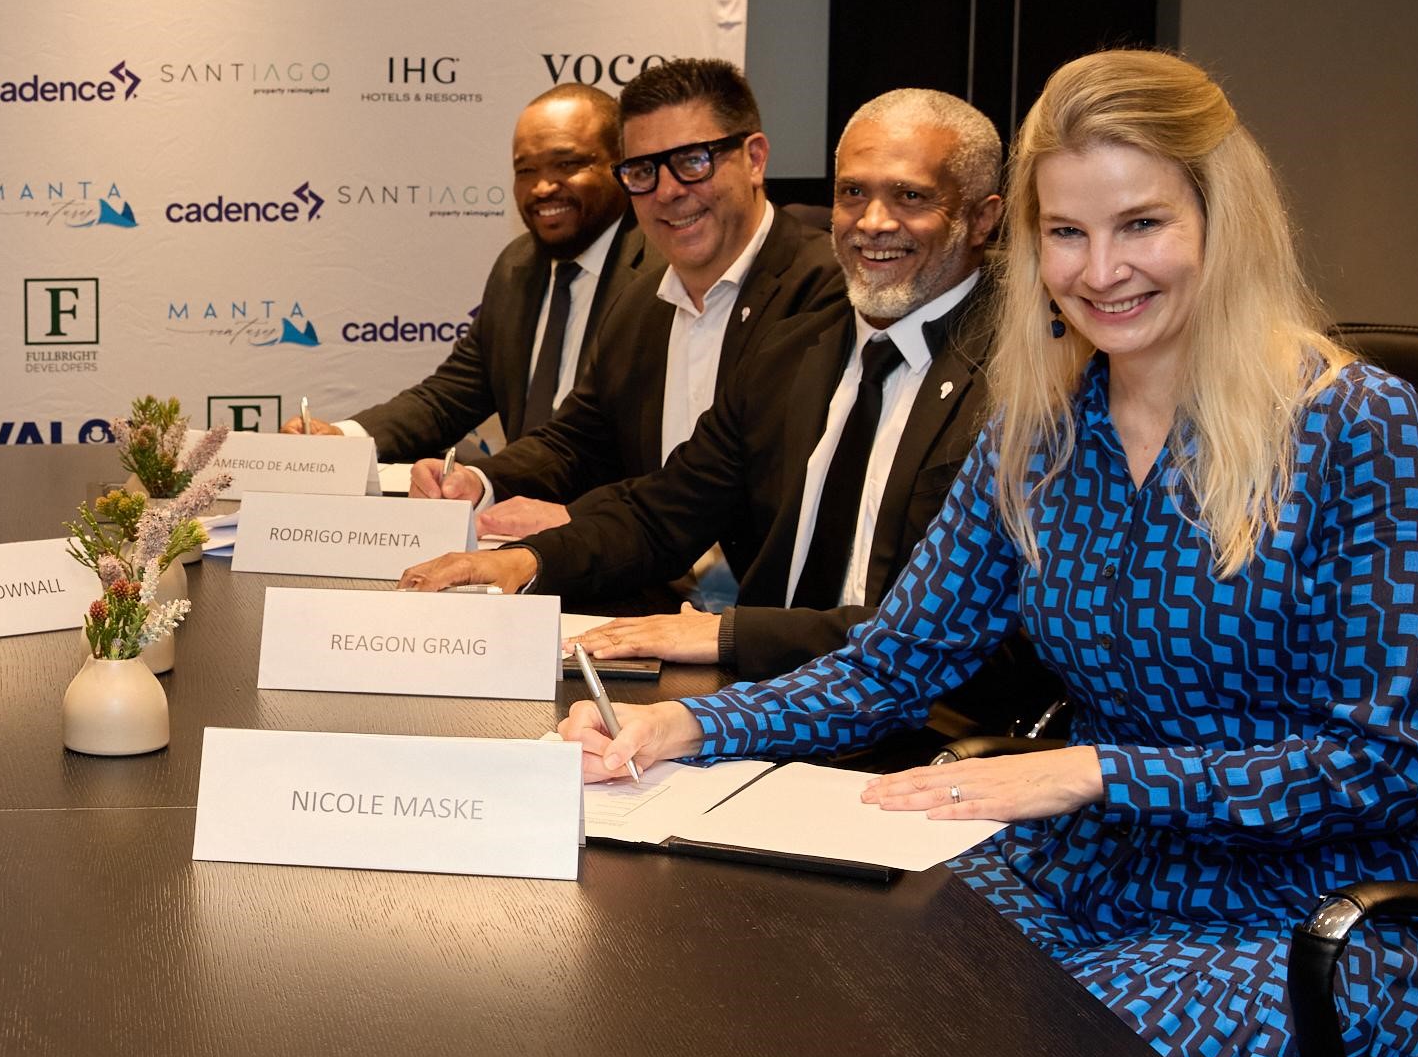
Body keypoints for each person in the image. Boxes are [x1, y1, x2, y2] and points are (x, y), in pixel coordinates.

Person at [562, 48, 1418, 1057]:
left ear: (1224, 222)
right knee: (837, 983)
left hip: (1320, 918)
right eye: (1067, 234)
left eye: (1141, 224)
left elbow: (1381, 766)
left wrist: (1094, 773)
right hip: (1092, 874)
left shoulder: (1354, 426)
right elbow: (894, 663)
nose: (1101, 271)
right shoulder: (1039, 432)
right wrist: (686, 730)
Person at [399, 90, 1005, 684]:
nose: (873, 222)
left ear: (983, 218)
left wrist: (727, 634)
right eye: (852, 193)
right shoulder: (794, 351)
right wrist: (524, 561)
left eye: (910, 196)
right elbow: (664, 512)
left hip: (930, 717)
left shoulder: (1021, 381)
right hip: (767, 697)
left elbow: (950, 626)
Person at [406, 59, 844, 548]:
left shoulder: (828, 291)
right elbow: (576, 441)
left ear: (755, 159)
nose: (668, 191)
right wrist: (479, 482)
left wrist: (581, 523)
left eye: (693, 161)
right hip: (645, 579)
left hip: (762, 592)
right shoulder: (640, 305)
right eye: (642, 171)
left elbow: (739, 483)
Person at [283, 85, 642, 459]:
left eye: (567, 164)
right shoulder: (517, 266)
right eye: (525, 170)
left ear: (622, 165)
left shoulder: (661, 274)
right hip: (519, 490)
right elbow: (450, 397)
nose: (542, 187)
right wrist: (342, 439)